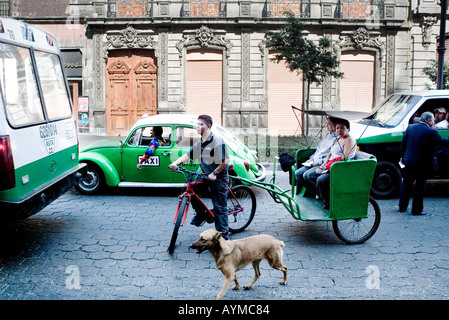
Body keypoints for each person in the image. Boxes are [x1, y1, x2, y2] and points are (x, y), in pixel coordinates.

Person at [169, 115, 231, 239]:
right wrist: (175, 163)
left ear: (208, 126)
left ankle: (223, 237)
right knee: (192, 190)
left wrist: (215, 173)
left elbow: (225, 161)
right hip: (205, 175)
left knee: (219, 207)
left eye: (201, 124)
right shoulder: (200, 142)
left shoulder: (216, 141)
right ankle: (201, 214)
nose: (197, 127)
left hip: (218, 177)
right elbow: (188, 155)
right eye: (197, 124)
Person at [398, 111, 449, 215]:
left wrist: (402, 156)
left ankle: (402, 206)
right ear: (429, 121)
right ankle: (416, 210)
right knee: (419, 187)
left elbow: (404, 144)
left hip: (409, 161)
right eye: (433, 120)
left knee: (406, 185)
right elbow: (443, 141)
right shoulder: (431, 132)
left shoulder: (410, 128)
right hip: (422, 164)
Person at [304, 118, 357, 209]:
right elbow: (330, 153)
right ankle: (323, 196)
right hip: (329, 166)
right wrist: (325, 163)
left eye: (342, 128)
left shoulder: (349, 140)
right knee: (308, 175)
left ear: (348, 129)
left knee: (321, 180)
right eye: (337, 128)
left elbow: (344, 157)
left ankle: (328, 201)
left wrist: (329, 164)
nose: (339, 130)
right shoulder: (338, 139)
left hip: (339, 169)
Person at [295, 117, 338, 196]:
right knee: (297, 174)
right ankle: (315, 192)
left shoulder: (337, 139)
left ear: (335, 125)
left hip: (321, 165)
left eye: (329, 124)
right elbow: (318, 150)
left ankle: (322, 195)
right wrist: (310, 159)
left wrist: (316, 163)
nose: (327, 126)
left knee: (307, 175)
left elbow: (331, 156)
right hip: (313, 162)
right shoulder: (327, 135)